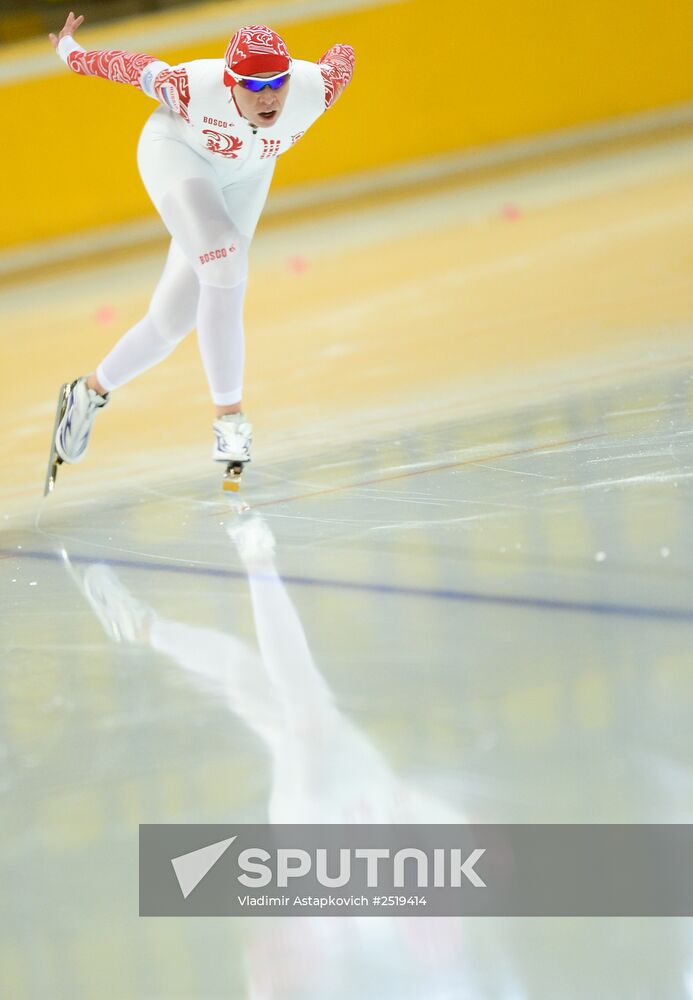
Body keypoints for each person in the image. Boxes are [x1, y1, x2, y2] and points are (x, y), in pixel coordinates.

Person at [47, 13, 354, 480]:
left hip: (245, 177)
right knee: (227, 262)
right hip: (178, 153)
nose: (269, 96)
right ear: (230, 82)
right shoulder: (190, 86)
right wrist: (69, 49)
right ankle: (229, 418)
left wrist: (338, 52)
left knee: (172, 320)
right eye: (253, 86)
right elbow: (128, 66)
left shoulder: (316, 88)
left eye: (277, 82)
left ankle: (88, 391)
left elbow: (343, 56)